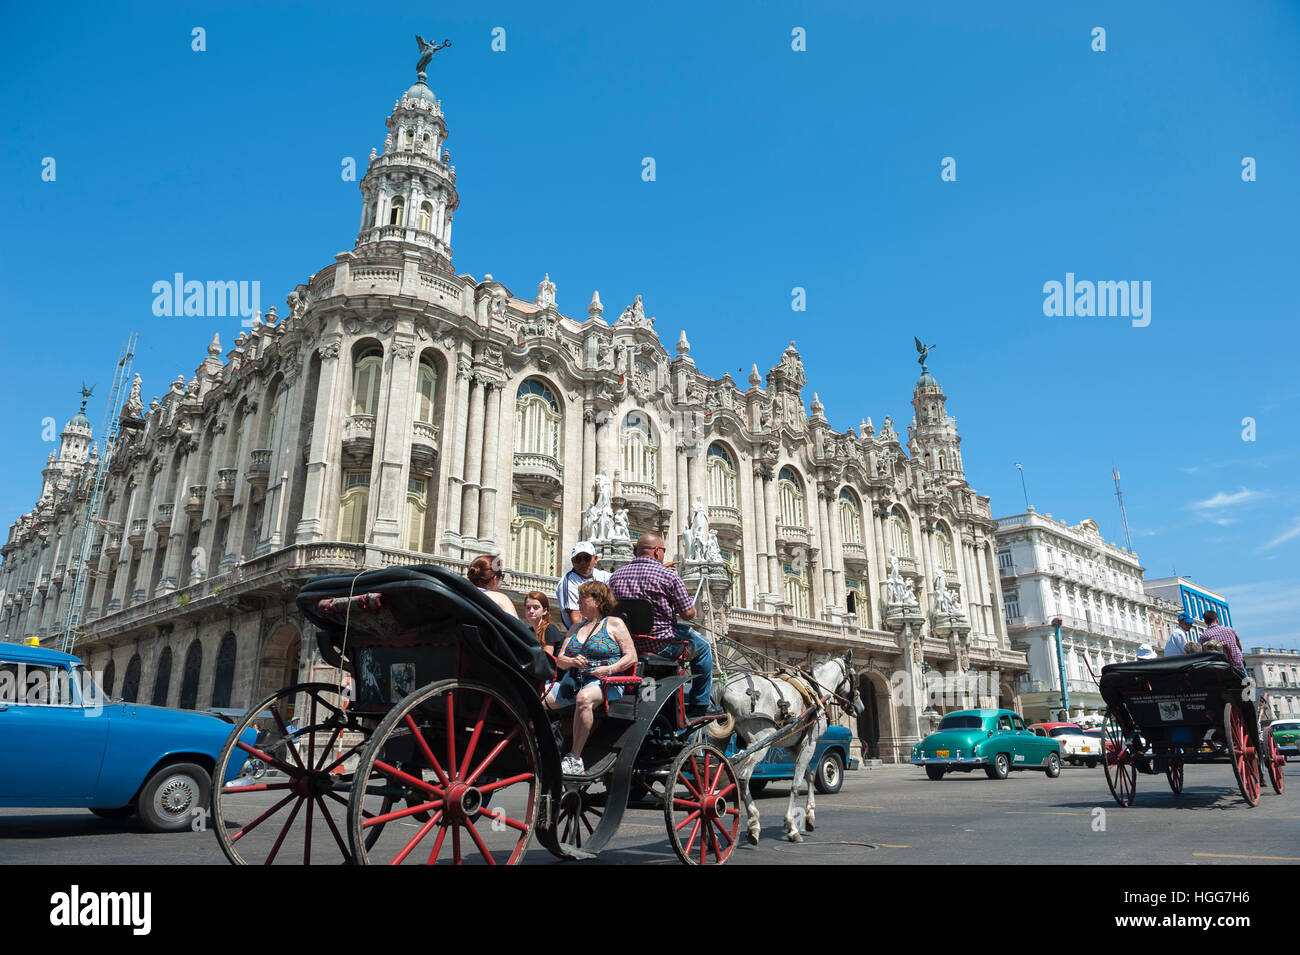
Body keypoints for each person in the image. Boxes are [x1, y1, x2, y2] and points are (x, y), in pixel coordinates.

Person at [608, 533, 722, 719]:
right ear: (656, 552)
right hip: (661, 644)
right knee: (703, 646)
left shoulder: (616, 576)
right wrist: (690, 610)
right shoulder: (668, 577)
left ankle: (648, 697)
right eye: (663, 551)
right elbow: (688, 613)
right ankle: (700, 704)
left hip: (628, 644)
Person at [543, 581, 637, 775]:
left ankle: (575, 758)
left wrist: (609, 669)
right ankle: (539, 745)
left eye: (582, 598)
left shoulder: (614, 623)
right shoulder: (575, 627)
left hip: (605, 682)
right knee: (538, 697)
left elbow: (631, 657)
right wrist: (571, 661)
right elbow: (560, 660)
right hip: (573, 680)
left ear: (597, 600)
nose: (578, 602)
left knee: (584, 698)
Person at [556, 541, 610, 628]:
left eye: (587, 558)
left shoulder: (604, 576)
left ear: (595, 559)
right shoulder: (567, 582)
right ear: (573, 561)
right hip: (584, 632)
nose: (582, 562)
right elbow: (576, 619)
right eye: (578, 559)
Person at [523, 591, 566, 658]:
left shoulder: (549, 629)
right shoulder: (529, 631)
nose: (531, 611)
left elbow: (546, 659)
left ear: (544, 611)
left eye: (536, 608)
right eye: (528, 607)